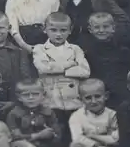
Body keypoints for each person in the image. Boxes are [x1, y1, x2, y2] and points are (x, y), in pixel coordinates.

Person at [33, 12, 90, 145]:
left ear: (70, 31)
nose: (58, 34)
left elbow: (84, 71)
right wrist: (70, 64)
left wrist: (56, 69)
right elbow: (43, 68)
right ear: (45, 29)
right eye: (53, 30)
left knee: (74, 137)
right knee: (55, 137)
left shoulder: (75, 49)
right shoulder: (40, 49)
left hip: (73, 101)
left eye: (63, 30)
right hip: (51, 100)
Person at [78, 13, 130, 109]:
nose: (101, 30)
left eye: (105, 27)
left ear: (113, 28)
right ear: (90, 29)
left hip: (119, 93)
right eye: (97, 27)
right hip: (96, 94)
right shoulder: (86, 52)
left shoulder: (123, 51)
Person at [6, 79, 59, 147]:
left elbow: (57, 135)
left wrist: (52, 134)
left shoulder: (49, 112)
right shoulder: (13, 114)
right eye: (26, 95)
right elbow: (15, 138)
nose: (31, 97)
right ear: (19, 97)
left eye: (35, 94)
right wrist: (38, 135)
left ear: (43, 95)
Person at [68, 79, 119, 147]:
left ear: (106, 96)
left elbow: (115, 138)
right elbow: (77, 137)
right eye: (88, 98)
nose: (94, 101)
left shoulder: (112, 115)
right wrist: (94, 144)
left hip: (106, 145)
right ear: (80, 99)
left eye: (97, 96)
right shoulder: (76, 116)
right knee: (75, 145)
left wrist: (92, 136)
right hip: (88, 146)